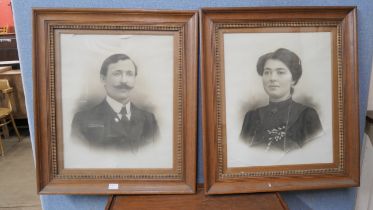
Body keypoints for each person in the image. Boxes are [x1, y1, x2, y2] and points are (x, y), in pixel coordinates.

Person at [240, 48, 323, 152]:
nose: (272, 78)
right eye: (267, 72)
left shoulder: (307, 115)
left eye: (280, 72)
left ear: (293, 79)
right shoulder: (251, 117)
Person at [71, 53, 159, 151]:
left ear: (135, 79)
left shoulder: (149, 120)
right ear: (103, 79)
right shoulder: (82, 120)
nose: (124, 81)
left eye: (129, 74)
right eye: (117, 73)